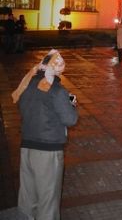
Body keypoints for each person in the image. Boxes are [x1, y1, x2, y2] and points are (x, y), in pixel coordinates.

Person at [12, 49, 78, 219]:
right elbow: (70, 119)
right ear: (58, 70)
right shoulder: (57, 90)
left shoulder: (27, 84)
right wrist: (71, 104)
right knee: (48, 199)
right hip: (48, 151)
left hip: (27, 146)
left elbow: (30, 107)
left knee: (28, 195)